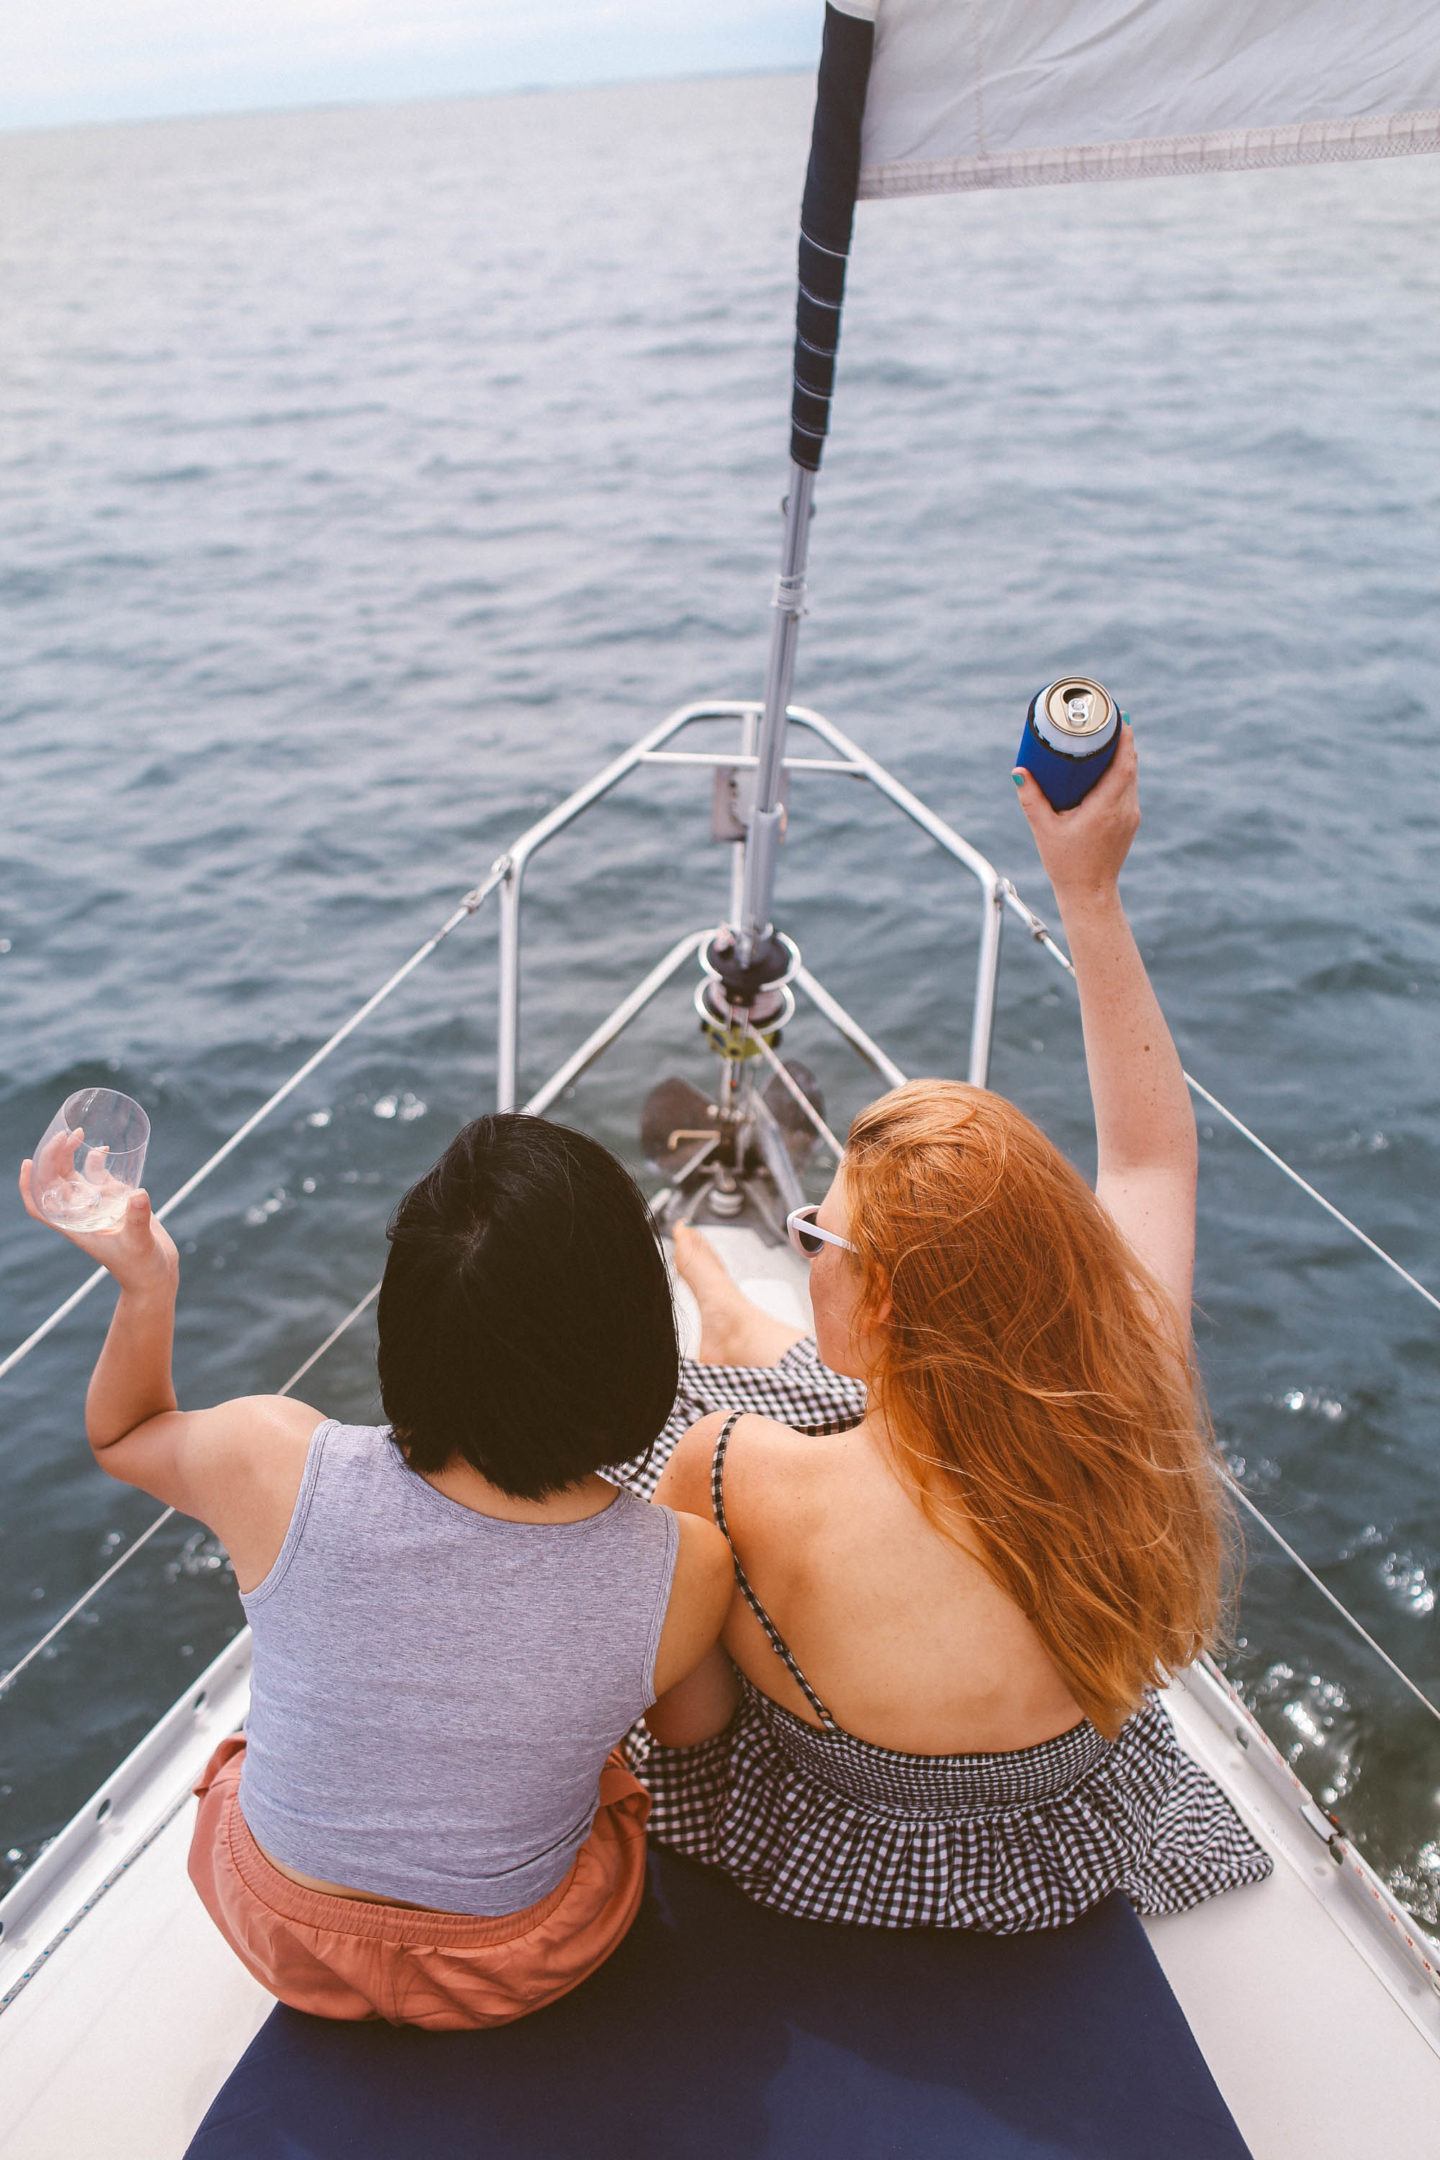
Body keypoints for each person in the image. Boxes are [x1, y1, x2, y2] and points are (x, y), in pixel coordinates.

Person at [615, 722, 1274, 1928]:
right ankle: (722, 1303)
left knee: (731, 1405)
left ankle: (710, 1300)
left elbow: (682, 1719)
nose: (804, 1225)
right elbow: (1149, 1159)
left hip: (829, 1841)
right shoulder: (1128, 1399)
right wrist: (1090, 892)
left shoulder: (731, 1473)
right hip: (1065, 1835)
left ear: (874, 1299)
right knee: (802, 1380)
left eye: (817, 1232)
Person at [19, 1114, 732, 2026]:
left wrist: (146, 1283)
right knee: (611, 1789)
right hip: (512, 1965)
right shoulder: (680, 1562)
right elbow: (691, 1728)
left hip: (278, 1929)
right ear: (632, 1339)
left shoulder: (271, 1461)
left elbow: (122, 1435)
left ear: (406, 1322)